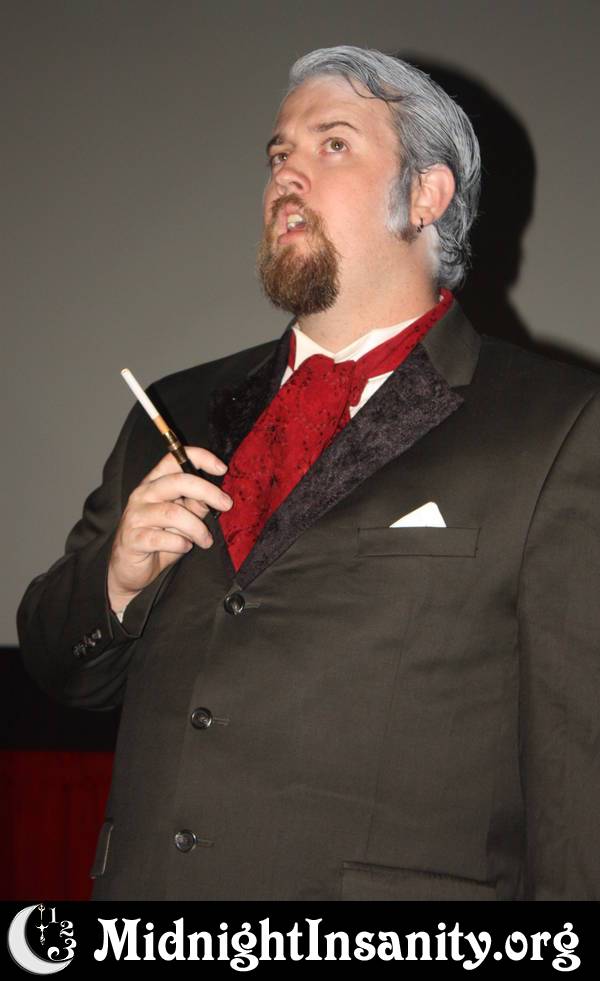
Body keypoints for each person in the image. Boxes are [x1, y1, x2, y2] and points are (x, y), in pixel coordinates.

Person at [17, 46, 600, 901]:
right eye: (278, 153)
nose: (286, 173)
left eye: (332, 144)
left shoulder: (559, 426)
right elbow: (58, 665)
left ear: (427, 195)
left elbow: (579, 795)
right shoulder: (173, 410)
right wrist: (115, 582)